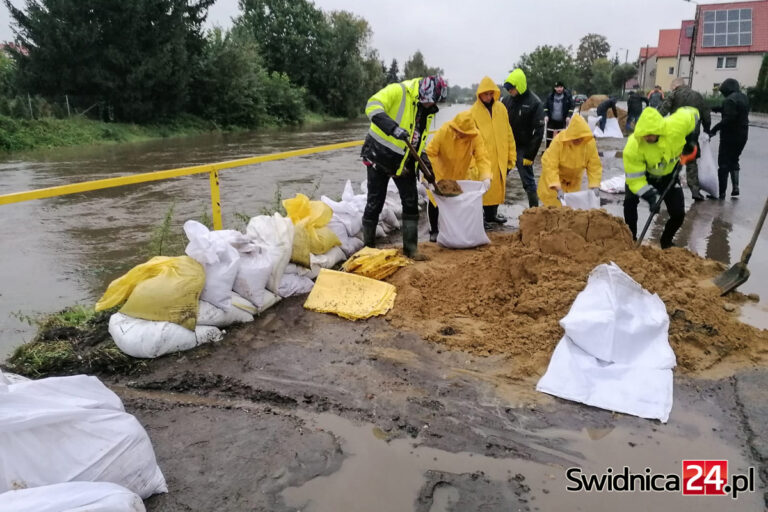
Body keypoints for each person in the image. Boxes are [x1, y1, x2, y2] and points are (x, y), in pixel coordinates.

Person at [361, 75, 448, 260]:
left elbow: (419, 140)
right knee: (375, 202)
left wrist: (425, 162)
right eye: (427, 100)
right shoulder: (398, 91)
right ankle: (367, 249)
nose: (429, 104)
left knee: (410, 202)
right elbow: (372, 105)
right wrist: (392, 128)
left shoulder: (429, 109)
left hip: (404, 161)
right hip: (378, 155)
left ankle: (411, 249)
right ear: (422, 93)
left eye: (433, 102)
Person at [623, 106, 699, 249]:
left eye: (651, 134)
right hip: (645, 176)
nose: (647, 137)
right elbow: (635, 179)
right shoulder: (634, 145)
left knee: (678, 214)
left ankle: (666, 242)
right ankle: (631, 239)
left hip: (669, 176)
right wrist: (651, 197)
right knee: (629, 202)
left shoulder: (675, 127)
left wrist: (692, 137)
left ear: (660, 130)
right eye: (644, 134)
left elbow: (693, 113)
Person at [424, 110, 491, 241]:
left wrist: (486, 177)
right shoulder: (444, 131)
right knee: (434, 201)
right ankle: (434, 230)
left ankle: (457, 231)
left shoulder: (475, 136)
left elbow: (482, 157)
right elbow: (430, 153)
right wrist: (426, 174)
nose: (463, 136)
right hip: (441, 172)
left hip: (461, 173)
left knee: (459, 203)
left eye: (466, 134)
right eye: (460, 133)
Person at [469, 76, 517, 228]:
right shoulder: (473, 112)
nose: (489, 97)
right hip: (482, 158)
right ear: (480, 94)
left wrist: (511, 156)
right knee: (482, 189)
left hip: (500, 156)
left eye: (491, 94)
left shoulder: (501, 109)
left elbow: (508, 133)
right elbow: (469, 139)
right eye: (486, 94)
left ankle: (492, 215)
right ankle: (479, 218)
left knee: (497, 187)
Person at [658, 77, 712, 201]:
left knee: (671, 159)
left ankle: (669, 186)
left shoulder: (674, 94)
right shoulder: (698, 96)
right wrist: (707, 130)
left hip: (676, 132)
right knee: (691, 160)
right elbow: (706, 114)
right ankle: (695, 191)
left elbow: (662, 110)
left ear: (676, 86)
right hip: (693, 133)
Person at [501, 68, 545, 207]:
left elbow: (539, 132)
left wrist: (530, 155)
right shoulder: (506, 101)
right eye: (508, 89)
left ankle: (534, 210)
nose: (510, 92)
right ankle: (491, 211)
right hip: (507, 146)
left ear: (519, 86)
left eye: (512, 89)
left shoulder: (535, 103)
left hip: (523, 147)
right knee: (499, 178)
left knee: (528, 181)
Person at [537, 115, 602, 207]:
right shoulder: (559, 141)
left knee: (570, 211)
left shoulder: (589, 144)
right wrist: (557, 187)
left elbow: (594, 166)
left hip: (573, 183)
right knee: (553, 209)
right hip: (555, 182)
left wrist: (595, 184)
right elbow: (550, 165)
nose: (578, 140)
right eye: (575, 137)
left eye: (581, 137)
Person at [710, 78, 750, 199]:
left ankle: (720, 192)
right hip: (743, 134)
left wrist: (714, 129)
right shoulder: (743, 97)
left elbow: (728, 119)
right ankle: (736, 187)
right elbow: (731, 111)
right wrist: (714, 108)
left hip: (729, 136)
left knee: (723, 164)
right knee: (734, 160)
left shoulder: (729, 100)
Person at [543, 81, 574, 148]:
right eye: (557, 87)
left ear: (563, 88)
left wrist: (568, 116)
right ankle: (548, 151)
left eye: (561, 87)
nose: (559, 89)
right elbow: (545, 107)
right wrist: (546, 115)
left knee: (562, 138)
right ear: (554, 88)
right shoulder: (550, 96)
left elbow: (572, 107)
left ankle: (561, 151)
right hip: (551, 120)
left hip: (562, 121)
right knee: (549, 138)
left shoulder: (567, 96)